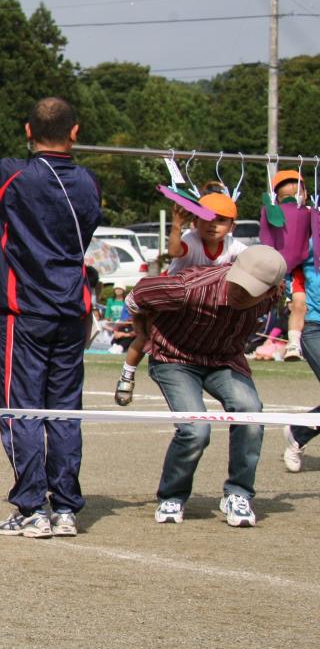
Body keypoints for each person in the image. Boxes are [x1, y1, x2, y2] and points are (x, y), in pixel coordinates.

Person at [0, 93, 102, 539]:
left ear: (28, 132)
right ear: (75, 133)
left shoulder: (15, 174)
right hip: (73, 311)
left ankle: (33, 506)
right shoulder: (90, 182)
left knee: (22, 409)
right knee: (64, 410)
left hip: (26, 311)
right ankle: (66, 506)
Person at [127, 246, 286, 527]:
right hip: (174, 358)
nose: (241, 293)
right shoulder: (189, 287)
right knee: (196, 429)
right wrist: (143, 331)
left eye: (252, 290)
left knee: (251, 412)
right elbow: (137, 295)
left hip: (224, 361)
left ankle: (238, 494)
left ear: (271, 292)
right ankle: (172, 495)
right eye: (240, 283)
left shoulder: (271, 298)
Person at [116, 194, 245, 405]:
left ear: (232, 226)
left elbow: (255, 261)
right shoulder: (191, 239)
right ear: (195, 222)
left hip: (197, 306)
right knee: (145, 337)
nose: (213, 225)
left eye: (221, 220)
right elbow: (175, 251)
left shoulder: (235, 247)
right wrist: (176, 225)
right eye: (207, 219)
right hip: (167, 298)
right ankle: (127, 376)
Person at [263, 170, 310, 362]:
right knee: (299, 304)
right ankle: (293, 343)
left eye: (297, 194)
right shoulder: (275, 217)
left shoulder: (312, 213)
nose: (293, 199)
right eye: (286, 197)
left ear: (306, 194)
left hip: (314, 268)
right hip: (296, 270)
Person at [283, 241, 320, 472]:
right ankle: (299, 432)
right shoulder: (309, 240)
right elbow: (286, 263)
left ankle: (298, 431)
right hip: (314, 325)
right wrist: (293, 292)